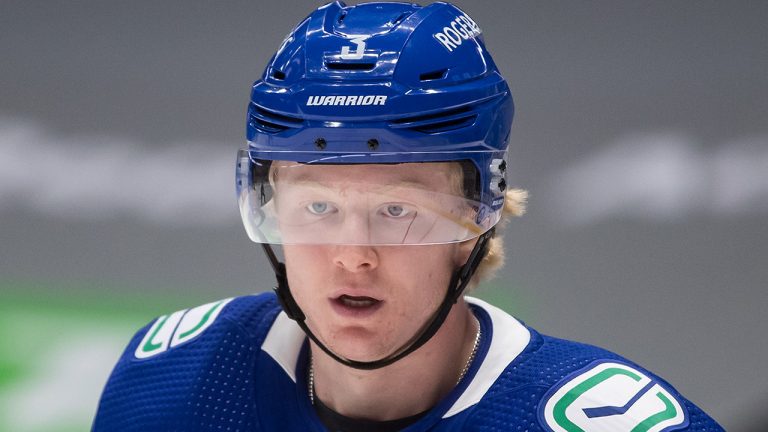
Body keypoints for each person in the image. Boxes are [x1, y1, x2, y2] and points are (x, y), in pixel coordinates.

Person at [93, 2, 723, 431]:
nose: (353, 254)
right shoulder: (168, 382)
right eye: (318, 206)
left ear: (479, 219)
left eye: (397, 209)